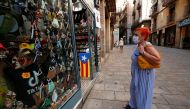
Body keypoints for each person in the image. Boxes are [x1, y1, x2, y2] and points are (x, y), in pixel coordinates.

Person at [125, 27, 161, 109]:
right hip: (138, 74)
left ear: (143, 36)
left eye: (136, 35)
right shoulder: (139, 45)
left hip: (145, 75)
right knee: (134, 90)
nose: (134, 37)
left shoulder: (147, 46)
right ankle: (133, 105)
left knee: (143, 94)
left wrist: (143, 52)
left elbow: (157, 59)